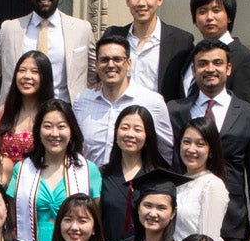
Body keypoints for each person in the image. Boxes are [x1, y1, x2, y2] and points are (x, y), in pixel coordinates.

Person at [168, 40, 250, 241]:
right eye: (203, 64)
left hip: (232, 221)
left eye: (217, 63)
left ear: (228, 68)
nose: (210, 69)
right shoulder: (175, 111)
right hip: (185, 218)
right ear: (194, 70)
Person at [0, 0, 95, 97]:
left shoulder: (82, 29)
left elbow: (96, 75)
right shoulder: (10, 29)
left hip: (66, 112)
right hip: (21, 113)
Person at [7, 102, 98, 241]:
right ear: (39, 131)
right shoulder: (22, 170)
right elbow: (13, 217)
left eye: (61, 127)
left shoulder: (89, 170)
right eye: (48, 126)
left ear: (71, 131)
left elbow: (95, 219)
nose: (54, 133)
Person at [72, 38, 175, 167]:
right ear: (96, 65)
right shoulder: (82, 101)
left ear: (129, 63)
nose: (110, 65)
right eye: (104, 60)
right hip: (90, 183)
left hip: (134, 184)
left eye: (117, 59)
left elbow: (166, 152)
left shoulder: (152, 102)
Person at [121, 0, 204, 101]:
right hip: (120, 116)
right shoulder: (115, 36)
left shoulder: (181, 41)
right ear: (127, 1)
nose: (141, 3)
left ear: (159, 0)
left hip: (161, 117)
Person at [185, 0, 250, 96]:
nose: (209, 17)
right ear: (194, 19)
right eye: (202, 11)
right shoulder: (189, 55)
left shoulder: (245, 58)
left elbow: (245, 108)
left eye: (216, 10)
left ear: (229, 17)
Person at [0, 50, 55, 165]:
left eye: (34, 71)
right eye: (22, 70)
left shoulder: (52, 113)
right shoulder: (5, 111)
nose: (27, 76)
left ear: (45, 77)